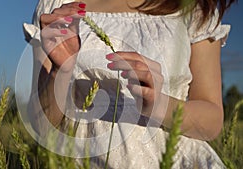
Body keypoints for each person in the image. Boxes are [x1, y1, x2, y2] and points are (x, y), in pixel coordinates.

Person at [23, 0, 236, 168]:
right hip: (79, 160)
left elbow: (212, 120)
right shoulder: (57, 5)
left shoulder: (194, 9)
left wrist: (159, 104)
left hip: (173, 160)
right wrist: (61, 70)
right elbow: (41, 126)